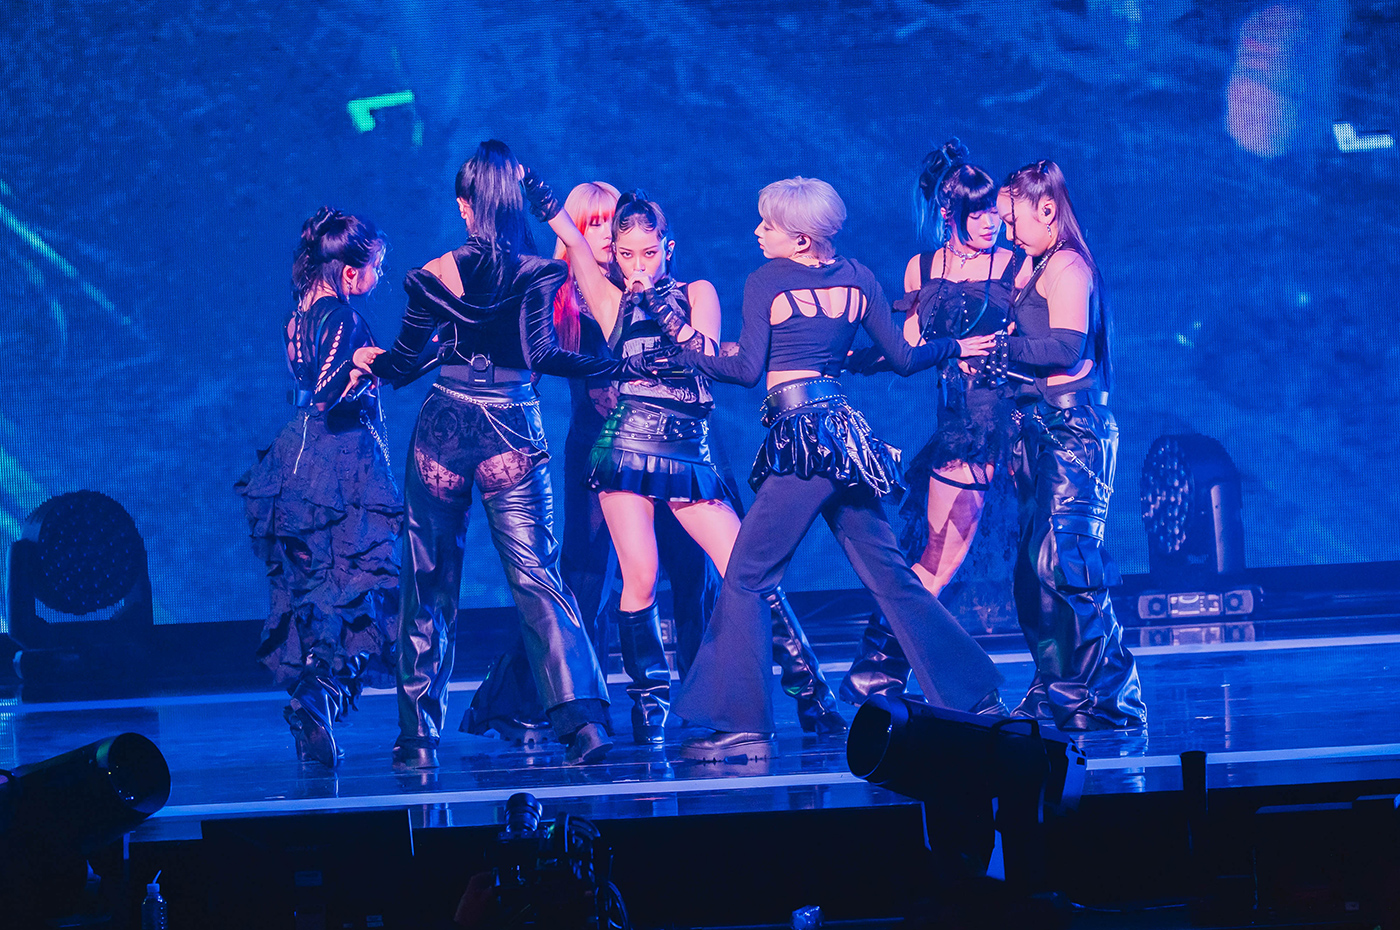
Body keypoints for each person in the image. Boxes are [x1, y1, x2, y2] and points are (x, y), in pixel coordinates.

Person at [671, 177, 1008, 761]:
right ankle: (975, 696)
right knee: (891, 575)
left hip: (803, 443)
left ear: (801, 239)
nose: (758, 232)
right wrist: (955, 347)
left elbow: (746, 370)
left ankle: (742, 723)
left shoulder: (768, 280)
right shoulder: (857, 277)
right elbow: (903, 359)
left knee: (748, 577)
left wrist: (682, 343)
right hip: (845, 440)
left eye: (769, 225)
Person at [355, 140, 658, 770]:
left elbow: (404, 363)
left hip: (444, 424)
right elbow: (543, 356)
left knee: (428, 580)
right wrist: (613, 364)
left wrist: (371, 362)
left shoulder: (434, 273)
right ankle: (583, 728)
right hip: (511, 425)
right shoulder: (535, 272)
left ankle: (417, 739)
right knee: (537, 577)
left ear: (465, 206)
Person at [534, 180, 846, 742]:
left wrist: (656, 301)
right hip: (628, 443)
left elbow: (702, 354)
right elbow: (574, 245)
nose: (637, 265)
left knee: (747, 569)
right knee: (640, 577)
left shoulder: (697, 291)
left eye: (648, 252)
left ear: (667, 248)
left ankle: (811, 691)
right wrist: (544, 199)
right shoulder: (608, 300)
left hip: (685, 448)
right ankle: (649, 705)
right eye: (627, 254)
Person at [842, 139, 1022, 704]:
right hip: (964, 426)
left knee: (1037, 559)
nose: (991, 222)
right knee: (938, 559)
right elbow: (909, 345)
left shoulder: (1015, 265)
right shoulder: (923, 268)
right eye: (978, 213)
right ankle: (877, 667)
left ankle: (880, 669)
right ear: (949, 213)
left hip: (1015, 420)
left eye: (994, 211)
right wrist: (851, 357)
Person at [236, 207, 402, 769]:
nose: (380, 275)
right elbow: (328, 393)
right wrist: (358, 371)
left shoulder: (299, 317)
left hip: (296, 460)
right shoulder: (344, 317)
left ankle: (316, 705)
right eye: (377, 266)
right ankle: (317, 696)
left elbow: (308, 385)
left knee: (320, 592)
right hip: (340, 463)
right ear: (351, 272)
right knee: (361, 589)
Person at [996, 159, 1147, 731]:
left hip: (1074, 429)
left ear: (1047, 209)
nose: (1010, 232)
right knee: (1033, 573)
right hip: (1038, 429)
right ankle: (1055, 686)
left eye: (1015, 220)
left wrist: (1000, 348)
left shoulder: (1067, 265)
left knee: (1066, 564)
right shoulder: (1033, 264)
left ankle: (1108, 695)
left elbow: (1065, 346)